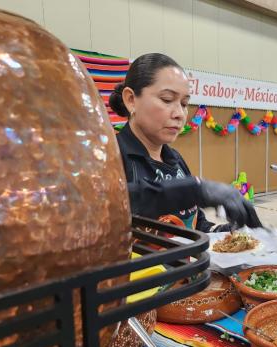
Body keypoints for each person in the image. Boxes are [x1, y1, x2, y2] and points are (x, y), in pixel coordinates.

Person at [110, 53, 262, 232]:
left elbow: (197, 227)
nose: (180, 114)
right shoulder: (111, 159)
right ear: (131, 100)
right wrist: (195, 190)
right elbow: (120, 201)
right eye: (167, 100)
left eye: (184, 103)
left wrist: (230, 232)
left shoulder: (175, 160)